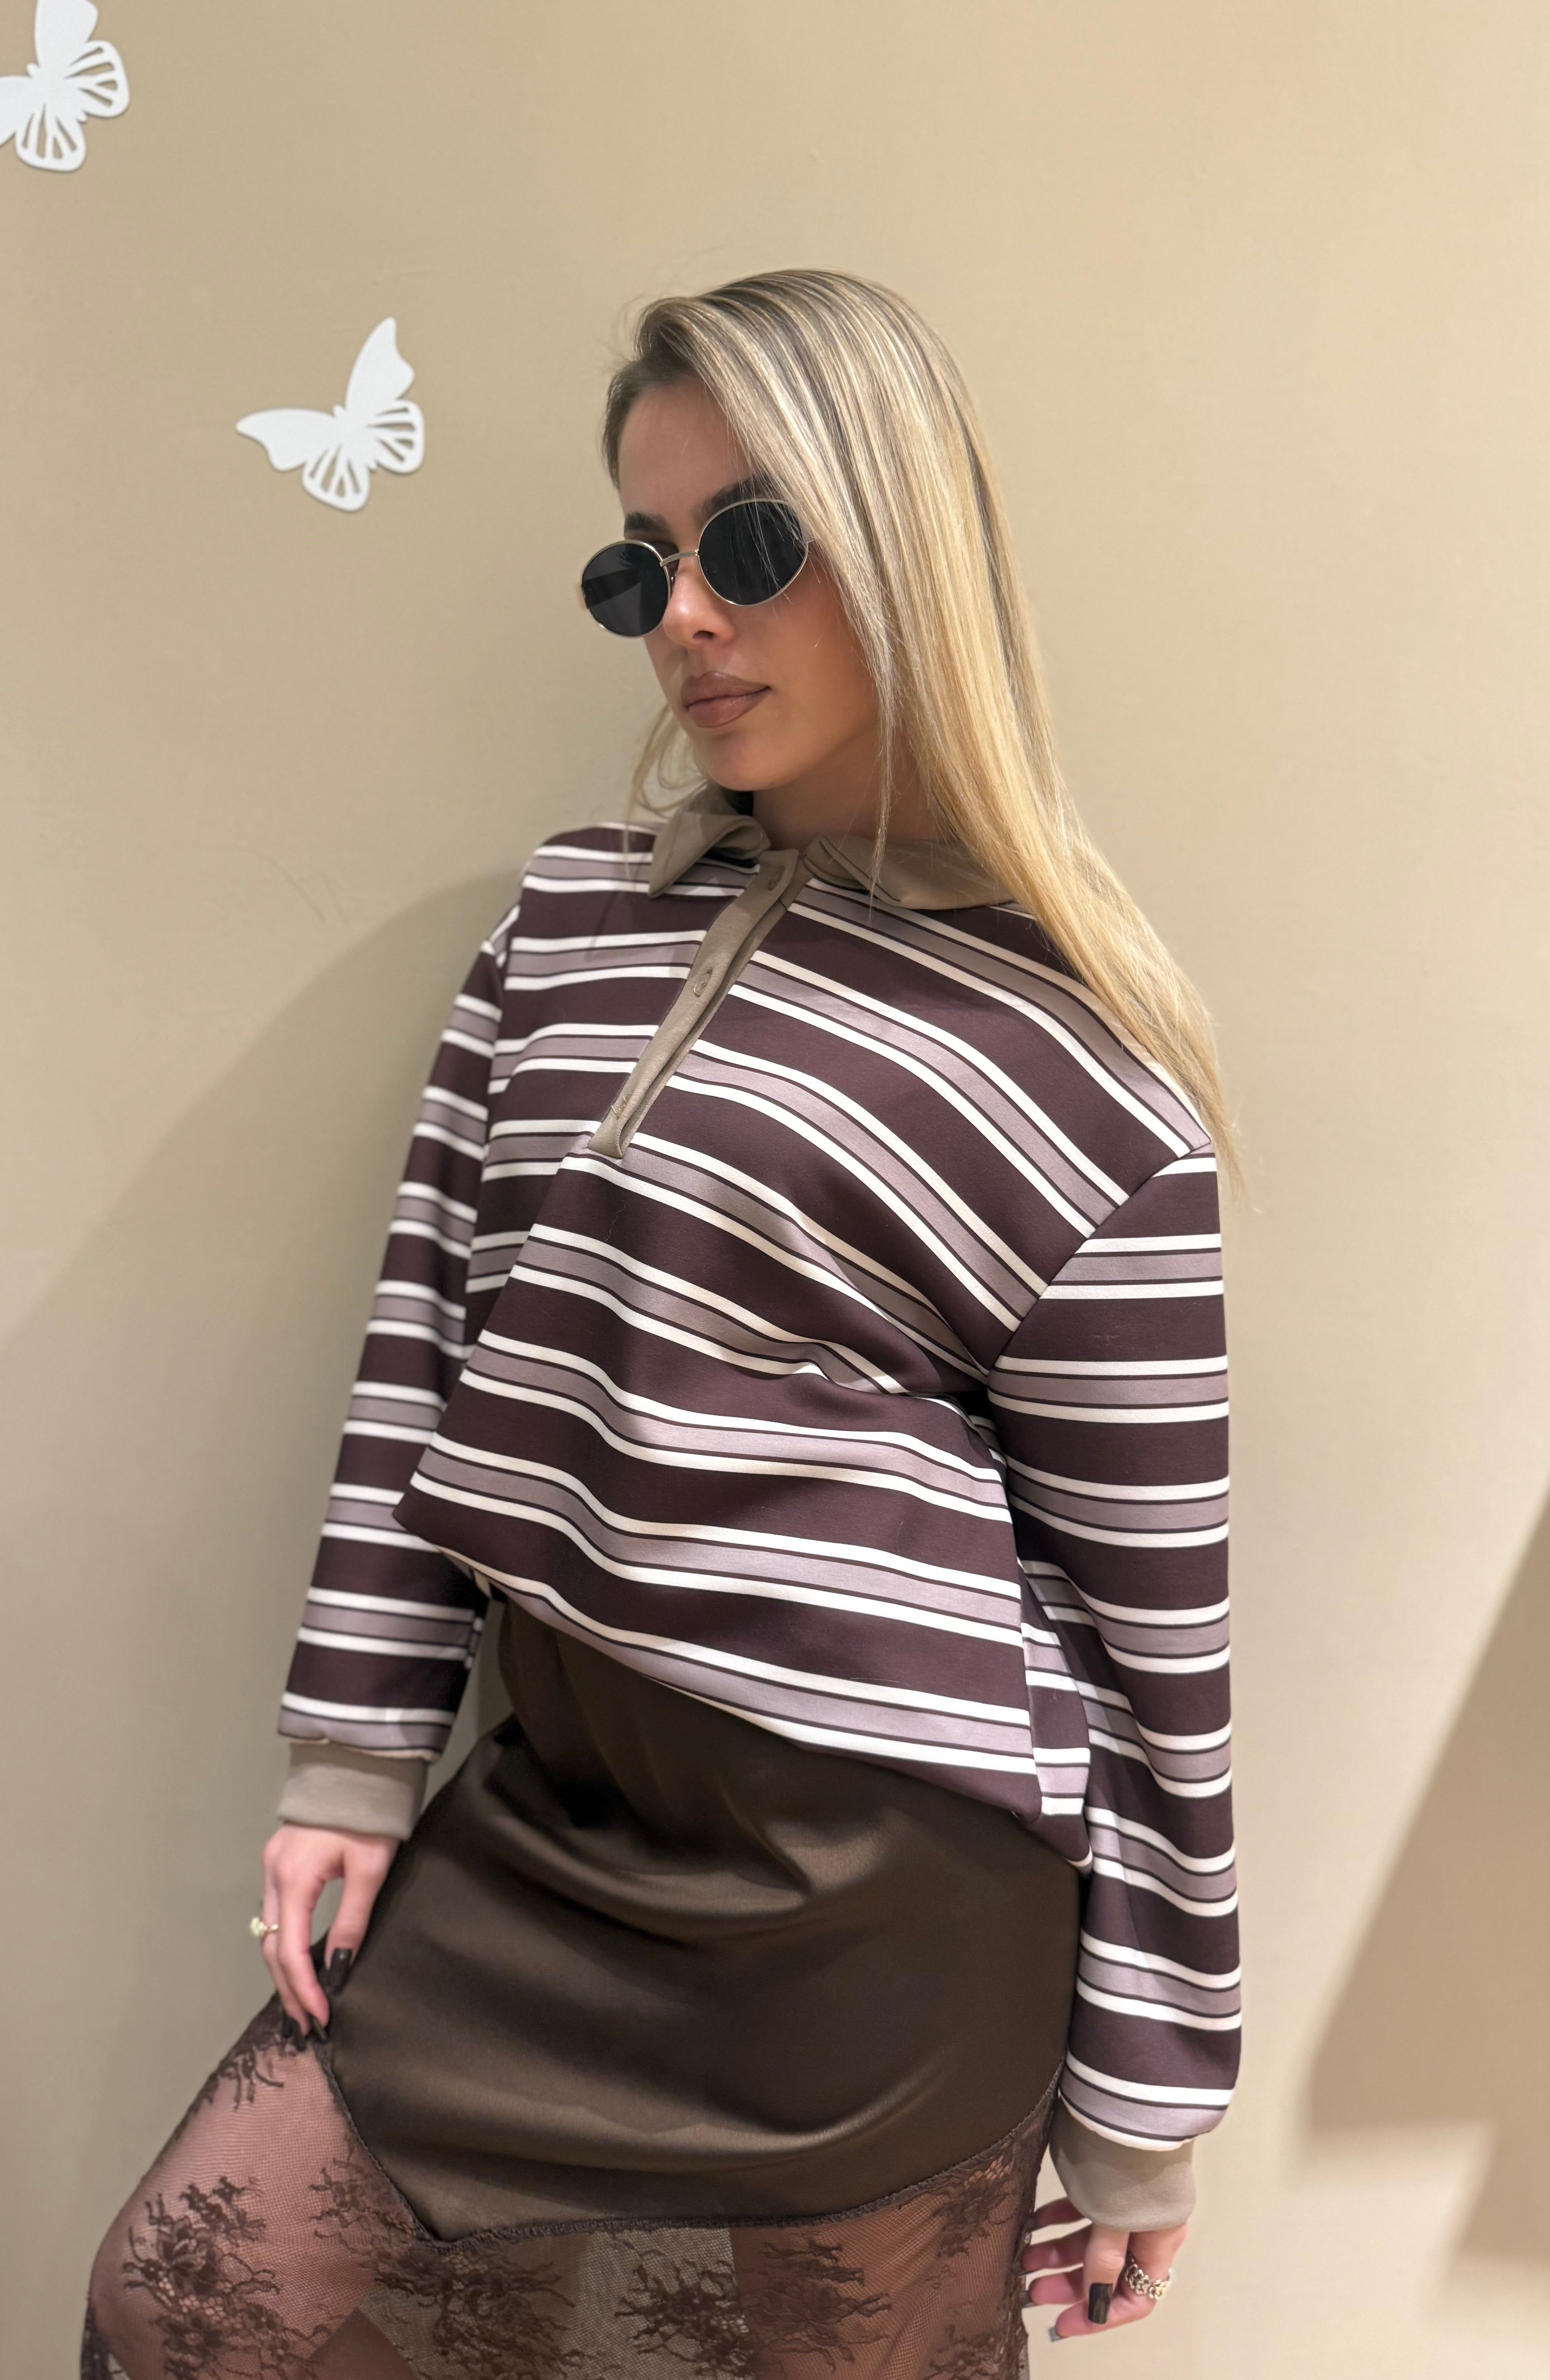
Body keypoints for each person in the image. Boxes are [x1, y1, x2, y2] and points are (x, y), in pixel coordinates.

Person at [85, 268, 1238, 2380]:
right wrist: (355, 1756)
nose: (686, 615)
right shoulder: (566, 924)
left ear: (908, 543)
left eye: (754, 544)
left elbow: (1151, 1633)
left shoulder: (1089, 1076)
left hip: (879, 1917)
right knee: (185, 2310)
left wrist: (1150, 2101)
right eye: (643, 563)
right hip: (551, 1829)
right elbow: (424, 1350)